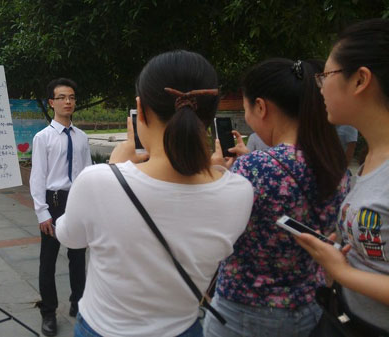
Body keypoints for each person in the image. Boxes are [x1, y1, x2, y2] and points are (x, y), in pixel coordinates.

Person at [56, 50, 254, 337]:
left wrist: (114, 167)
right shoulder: (239, 191)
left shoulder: (99, 182)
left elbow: (69, 236)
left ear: (141, 109)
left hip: (102, 329)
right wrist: (219, 172)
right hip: (183, 329)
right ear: (211, 114)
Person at [205, 59, 349, 337]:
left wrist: (216, 175)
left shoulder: (253, 168)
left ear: (261, 107)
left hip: (245, 312)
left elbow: (218, 233)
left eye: (246, 109)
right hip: (309, 307)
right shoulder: (334, 164)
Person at [296, 18, 389, 335]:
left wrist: (341, 271)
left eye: (326, 75)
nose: (320, 87)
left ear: (360, 80)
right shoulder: (371, 157)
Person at [29, 78, 92, 336]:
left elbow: (88, 173)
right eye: (63, 97)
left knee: (78, 258)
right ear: (51, 102)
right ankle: (48, 312)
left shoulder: (82, 137)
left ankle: (79, 303)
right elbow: (37, 177)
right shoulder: (42, 138)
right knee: (48, 261)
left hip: (77, 203)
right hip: (53, 204)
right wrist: (42, 211)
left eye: (72, 97)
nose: (68, 102)